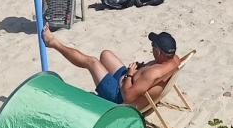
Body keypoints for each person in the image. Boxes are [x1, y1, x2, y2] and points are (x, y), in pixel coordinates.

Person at [42, 28, 182, 108]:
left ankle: (53, 43)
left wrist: (130, 75)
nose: (151, 48)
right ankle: (106, 76)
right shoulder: (174, 59)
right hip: (129, 80)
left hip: (117, 95)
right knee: (106, 55)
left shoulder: (153, 73)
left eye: (153, 47)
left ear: (158, 52)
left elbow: (127, 97)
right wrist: (139, 69)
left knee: (91, 62)